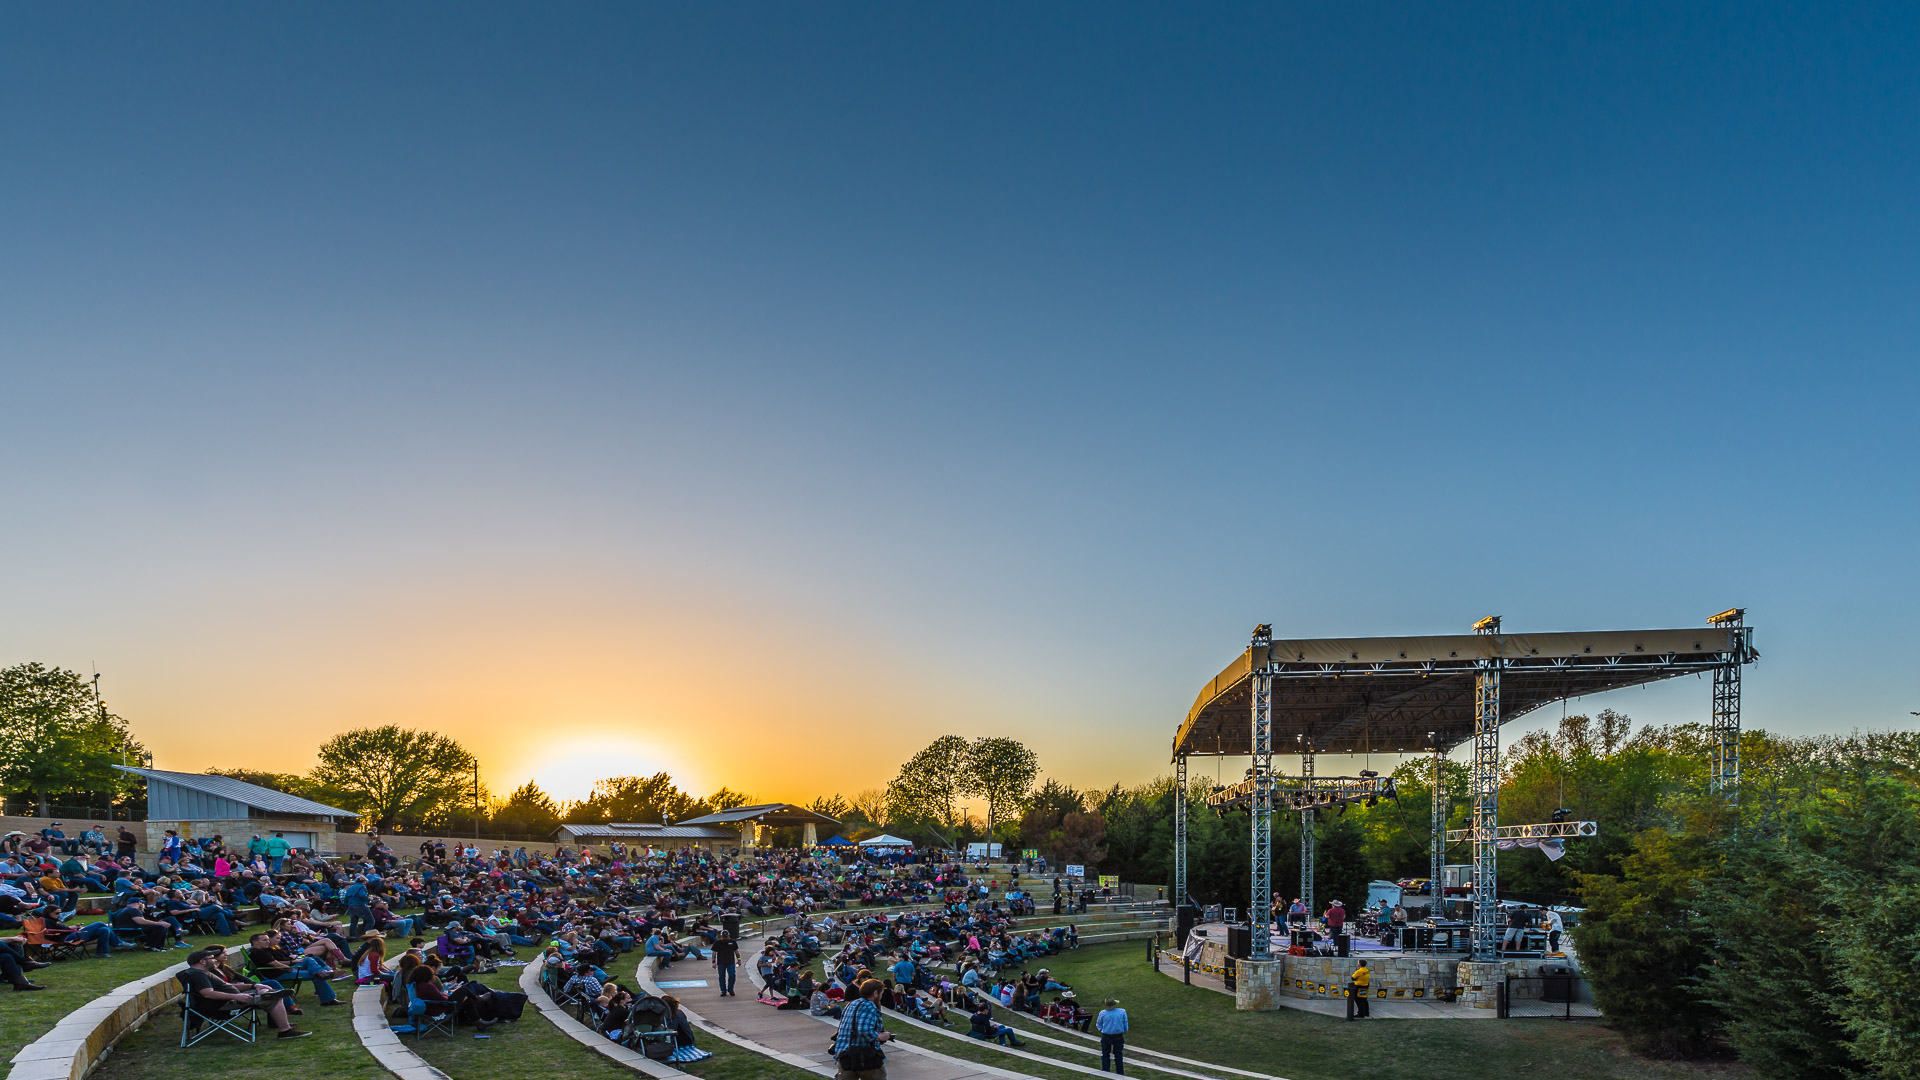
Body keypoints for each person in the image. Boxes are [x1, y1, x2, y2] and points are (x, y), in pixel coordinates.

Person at [181, 947, 310, 1038]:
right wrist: (237, 996)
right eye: (211, 958)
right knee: (273, 998)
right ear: (202, 961)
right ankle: (285, 1031)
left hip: (230, 999)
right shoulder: (198, 974)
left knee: (271, 992)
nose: (214, 960)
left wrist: (254, 985)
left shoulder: (202, 973)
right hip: (224, 1005)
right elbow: (208, 993)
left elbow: (227, 986)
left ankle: (265, 993)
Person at [833, 979, 894, 1080]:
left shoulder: (851, 1004)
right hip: (865, 1058)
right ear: (875, 993)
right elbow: (865, 1031)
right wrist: (882, 1036)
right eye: (881, 993)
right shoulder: (869, 1005)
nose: (881, 997)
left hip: (844, 1057)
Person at [1095, 996, 1128, 1074]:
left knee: (1105, 1054)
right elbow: (1125, 1023)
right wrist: (1124, 1031)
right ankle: (1120, 1073)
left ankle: (1106, 1072)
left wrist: (1101, 1030)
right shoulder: (1122, 1012)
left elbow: (1098, 1024)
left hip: (1106, 1035)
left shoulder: (1103, 1013)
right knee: (1118, 1055)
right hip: (1118, 1036)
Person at [712, 930, 738, 996]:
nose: (725, 938)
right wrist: (713, 961)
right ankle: (723, 990)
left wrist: (739, 959)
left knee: (732, 975)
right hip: (721, 962)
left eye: (726, 937)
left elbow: (736, 951)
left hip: (730, 962)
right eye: (724, 937)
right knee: (721, 977)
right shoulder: (717, 943)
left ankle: (730, 989)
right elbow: (714, 952)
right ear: (721, 936)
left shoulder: (733, 942)